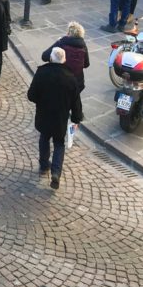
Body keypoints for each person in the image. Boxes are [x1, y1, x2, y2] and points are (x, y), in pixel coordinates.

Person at [27, 47, 83, 190]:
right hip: (60, 118)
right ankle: (56, 172)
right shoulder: (71, 78)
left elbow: (31, 95)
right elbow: (76, 102)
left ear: (51, 58)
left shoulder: (42, 72)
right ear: (64, 60)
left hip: (44, 115)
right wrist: (76, 119)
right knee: (59, 143)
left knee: (44, 138)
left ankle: (44, 165)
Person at [41, 22, 90, 117]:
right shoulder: (83, 46)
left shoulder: (62, 42)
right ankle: (76, 114)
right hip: (77, 83)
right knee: (72, 97)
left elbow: (44, 56)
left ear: (68, 33)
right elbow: (86, 64)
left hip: (61, 81)